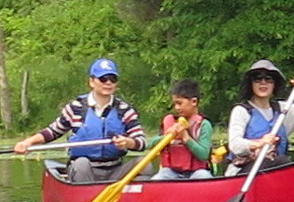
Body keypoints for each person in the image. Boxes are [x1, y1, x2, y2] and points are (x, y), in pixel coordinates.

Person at [13, 57, 146, 183]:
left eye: (113, 78)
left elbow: (141, 142)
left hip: (115, 170)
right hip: (83, 169)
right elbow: (52, 132)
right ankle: (85, 199)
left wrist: (129, 143)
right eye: (103, 79)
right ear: (92, 82)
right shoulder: (76, 108)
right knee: (82, 164)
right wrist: (28, 142)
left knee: (144, 164)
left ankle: (135, 201)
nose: (108, 83)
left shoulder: (125, 110)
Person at [224, 59, 294, 176]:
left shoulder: (283, 110)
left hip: (275, 171)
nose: (263, 83)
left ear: (274, 84)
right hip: (242, 173)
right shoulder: (241, 111)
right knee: (282, 162)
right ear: (251, 84)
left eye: (268, 79)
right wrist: (260, 143)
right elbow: (235, 145)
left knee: (282, 162)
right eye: (257, 79)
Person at [144, 79, 214, 180]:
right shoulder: (170, 121)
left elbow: (203, 155)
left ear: (194, 101)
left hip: (197, 172)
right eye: (175, 104)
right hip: (170, 172)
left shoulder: (204, 125)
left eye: (180, 103)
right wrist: (166, 137)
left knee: (204, 176)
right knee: (158, 179)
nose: (176, 107)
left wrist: (186, 138)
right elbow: (150, 144)